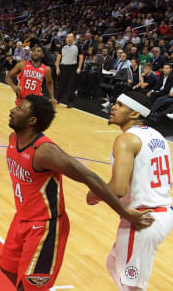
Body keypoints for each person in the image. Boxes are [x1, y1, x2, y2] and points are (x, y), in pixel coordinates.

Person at [1, 94, 153, 291]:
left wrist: (125, 213)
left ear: (32, 121)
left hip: (45, 226)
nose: (13, 110)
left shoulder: (45, 151)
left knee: (30, 287)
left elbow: (90, 177)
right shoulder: (13, 139)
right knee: (7, 268)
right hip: (21, 219)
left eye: (19, 109)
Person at [87, 92, 172, 291]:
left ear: (134, 113)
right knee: (113, 263)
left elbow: (118, 188)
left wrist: (95, 194)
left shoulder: (126, 140)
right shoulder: (157, 135)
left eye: (120, 104)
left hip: (142, 217)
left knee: (130, 286)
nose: (113, 107)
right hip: (163, 212)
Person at [55, 33, 83, 107]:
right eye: (68, 37)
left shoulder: (77, 47)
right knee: (61, 85)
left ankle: (70, 102)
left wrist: (79, 68)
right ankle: (57, 99)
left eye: (71, 37)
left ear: (73, 38)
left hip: (73, 68)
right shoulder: (63, 47)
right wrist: (57, 68)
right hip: (63, 67)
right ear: (66, 38)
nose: (69, 39)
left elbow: (81, 58)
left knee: (71, 86)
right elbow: (58, 58)